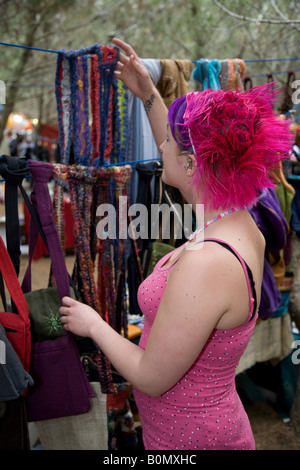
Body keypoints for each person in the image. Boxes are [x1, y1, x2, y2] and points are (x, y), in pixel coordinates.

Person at [59, 39, 293, 450]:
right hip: (200, 426)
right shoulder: (237, 220)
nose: (161, 145)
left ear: (190, 165)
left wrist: (93, 324)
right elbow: (186, 148)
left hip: (190, 440)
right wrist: (149, 94)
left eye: (170, 142)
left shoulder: (207, 264)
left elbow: (151, 375)